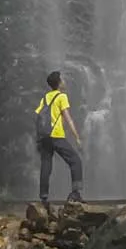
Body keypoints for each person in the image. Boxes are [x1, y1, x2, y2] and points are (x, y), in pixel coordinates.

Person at [34, 71, 83, 206]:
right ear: (59, 83)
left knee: (46, 166)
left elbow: (38, 116)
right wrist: (77, 137)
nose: (65, 82)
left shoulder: (45, 98)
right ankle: (75, 193)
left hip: (44, 137)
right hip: (56, 135)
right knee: (75, 161)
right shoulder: (62, 97)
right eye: (63, 80)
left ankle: (43, 197)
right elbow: (68, 119)